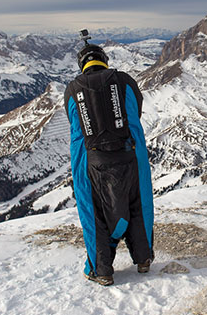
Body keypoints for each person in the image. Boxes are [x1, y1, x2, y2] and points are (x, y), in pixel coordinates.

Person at [64, 32, 154, 285]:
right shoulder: (124, 81)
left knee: (96, 213)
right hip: (130, 155)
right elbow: (136, 107)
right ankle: (143, 259)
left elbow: (74, 125)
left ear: (83, 64)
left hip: (95, 160)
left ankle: (101, 270)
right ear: (103, 60)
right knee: (137, 205)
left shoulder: (73, 89)